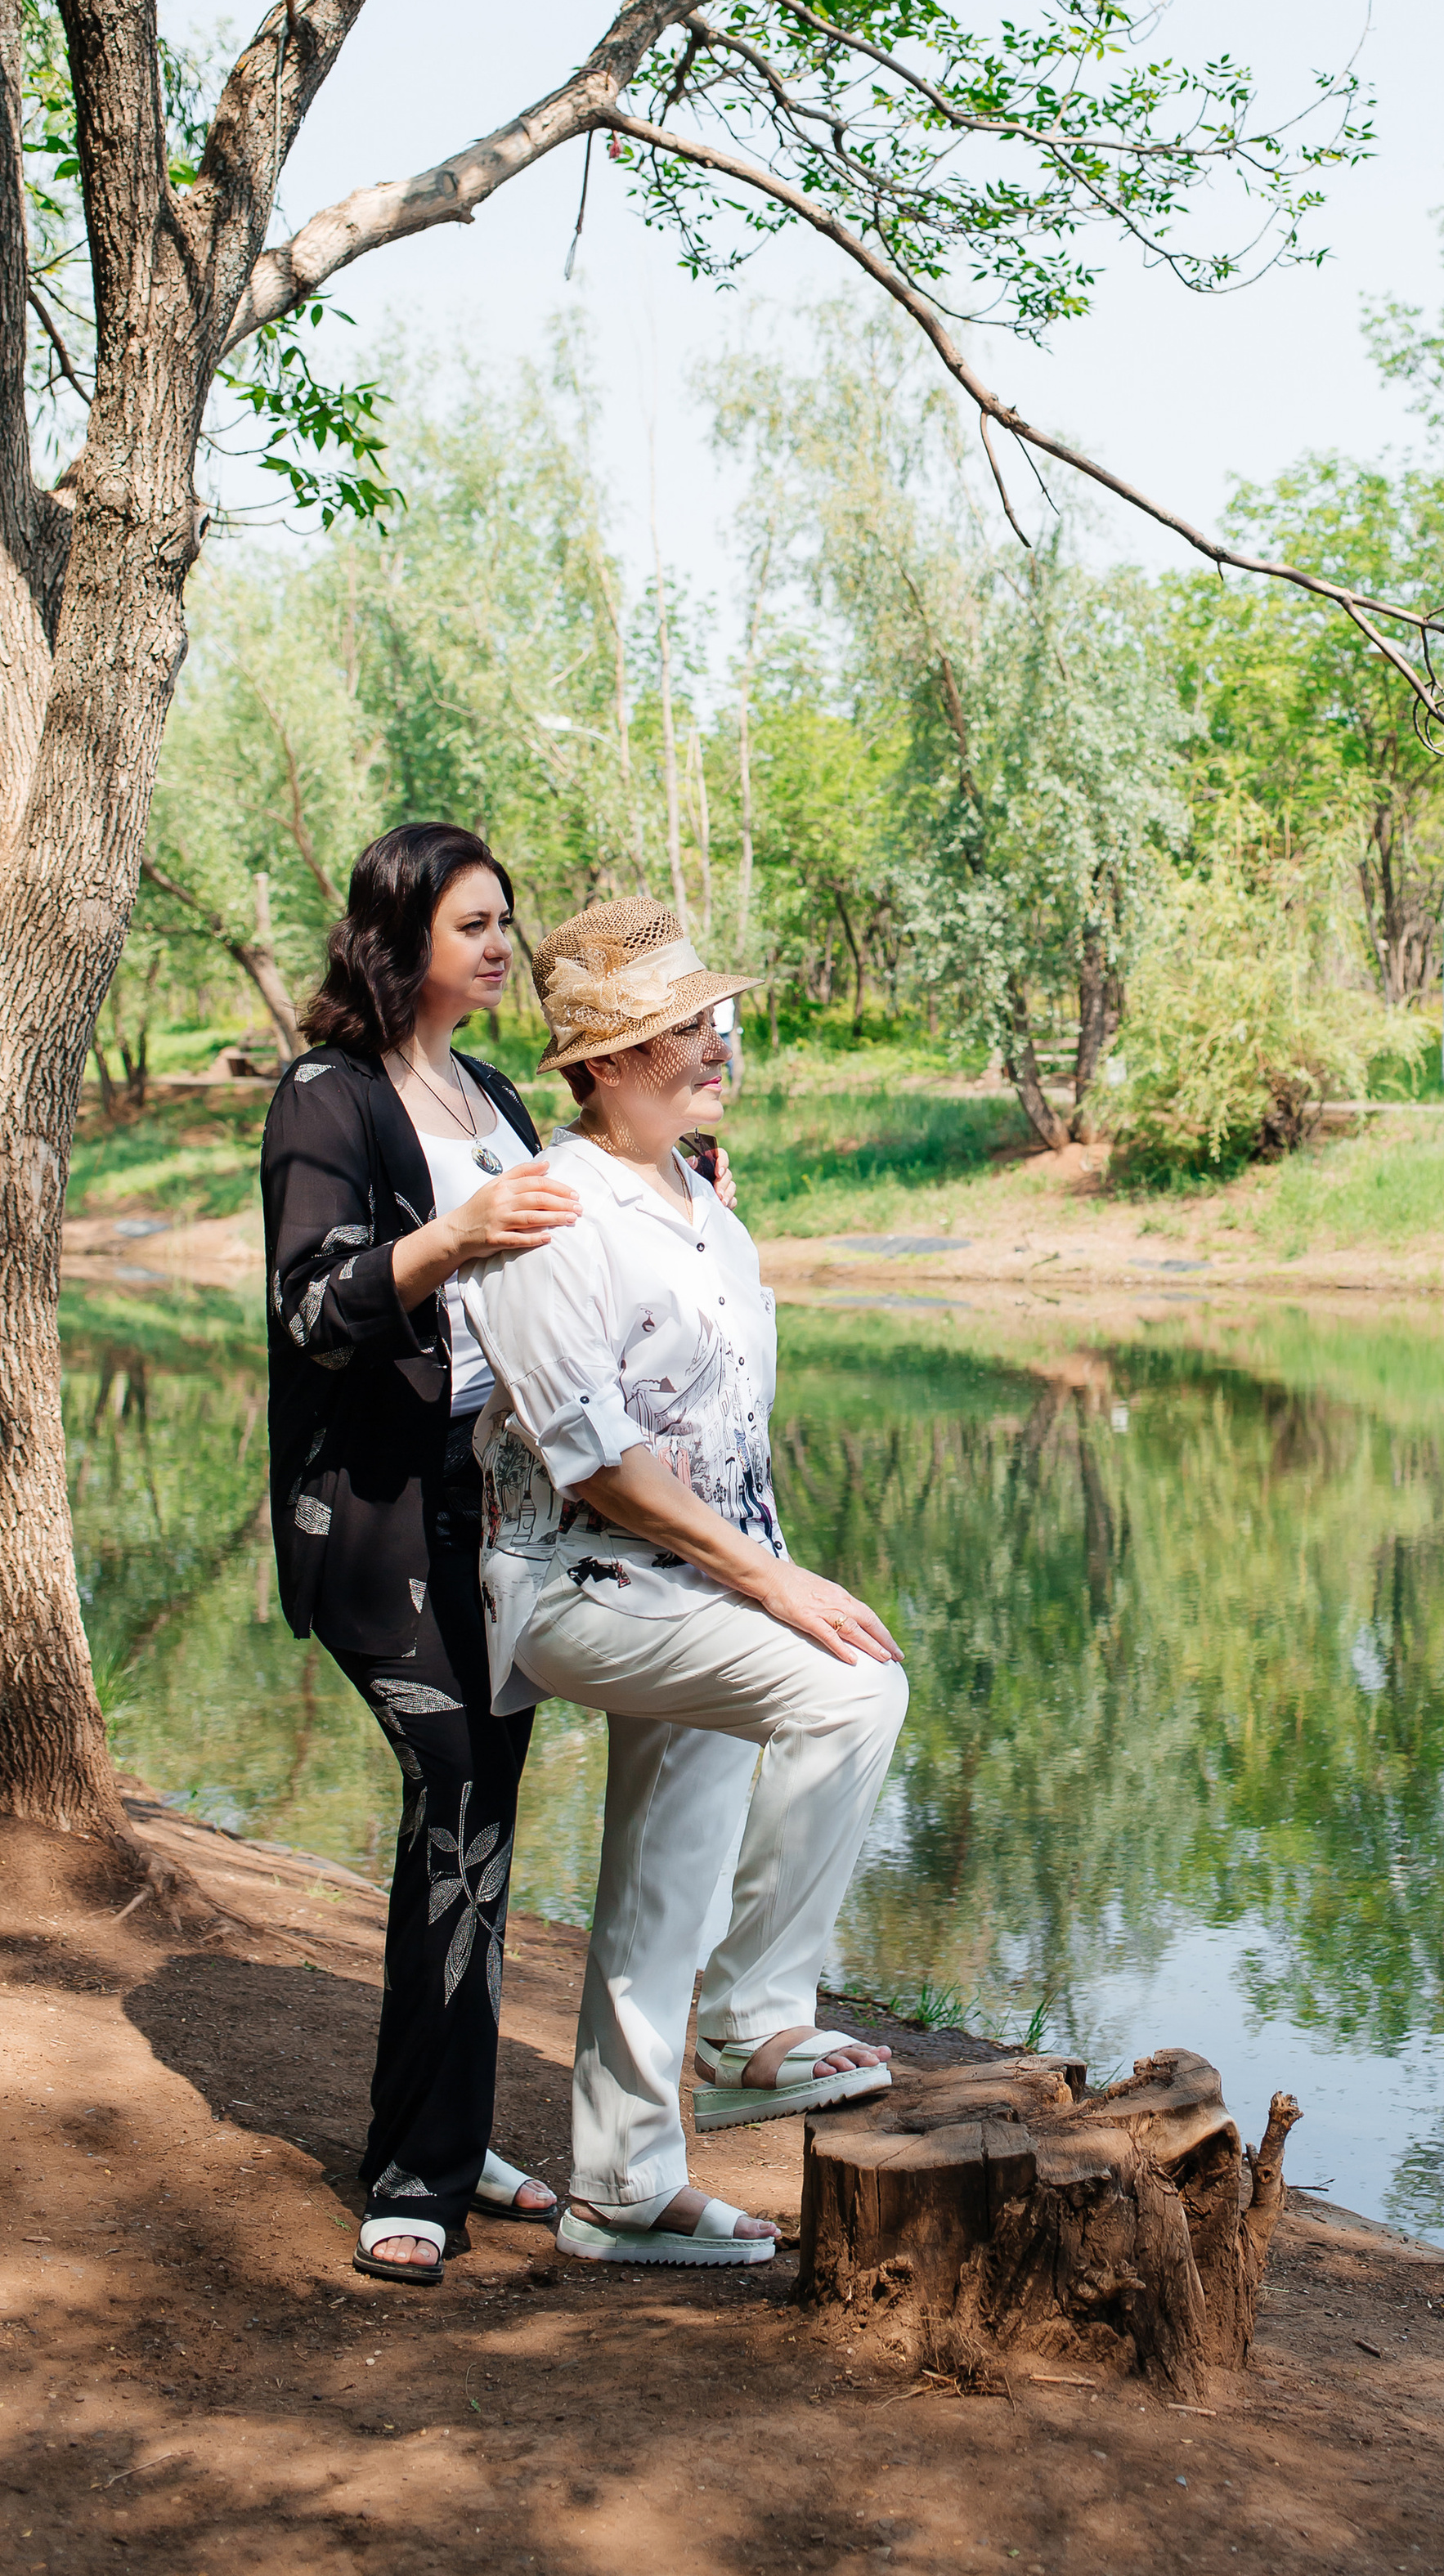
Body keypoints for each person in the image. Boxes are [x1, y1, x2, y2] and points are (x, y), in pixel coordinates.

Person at [462, 896, 908, 2269]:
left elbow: (726, 1435)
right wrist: (775, 1584)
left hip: (698, 1584)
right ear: (599, 1065)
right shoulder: (554, 1208)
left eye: (708, 1016)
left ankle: (623, 2186)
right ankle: (752, 2016)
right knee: (851, 1688)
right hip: (582, 1584)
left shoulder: (707, 1207)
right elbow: (593, 1461)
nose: (713, 1041)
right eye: (672, 1028)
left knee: (664, 1885)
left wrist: (753, 1571)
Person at [260, 822, 584, 2286]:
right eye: (473, 924)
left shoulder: (496, 1092)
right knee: (452, 1788)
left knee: (484, 1820)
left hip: (493, 1512)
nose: (501, 943)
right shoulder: (326, 1098)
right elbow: (312, 1310)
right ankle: (414, 2172)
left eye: (506, 920)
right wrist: (455, 1237)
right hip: (373, 1518)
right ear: (399, 939)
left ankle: (454, 2127)